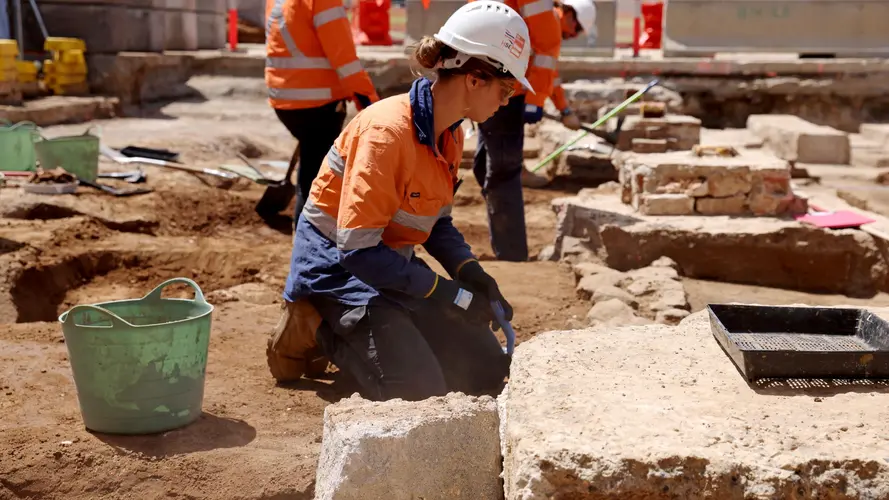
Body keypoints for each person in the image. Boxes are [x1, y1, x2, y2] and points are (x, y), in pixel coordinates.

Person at [269, 0, 532, 401]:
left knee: (483, 369)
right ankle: (318, 326)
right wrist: (448, 294)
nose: (508, 99)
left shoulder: (451, 132)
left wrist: (469, 272)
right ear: (475, 79)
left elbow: (435, 223)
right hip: (340, 268)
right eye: (507, 87)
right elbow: (356, 251)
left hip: (390, 261)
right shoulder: (387, 133)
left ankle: (396, 322)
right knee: (415, 390)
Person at [471, 0, 595, 261]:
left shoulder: (539, 23)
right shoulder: (544, 20)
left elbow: (549, 73)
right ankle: (513, 255)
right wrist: (535, 103)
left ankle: (505, 247)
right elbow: (547, 58)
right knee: (502, 171)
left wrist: (565, 110)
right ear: (570, 15)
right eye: (572, 32)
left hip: (487, 82)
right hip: (505, 92)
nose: (568, 37)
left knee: (490, 168)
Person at [264, 0, 380, 219]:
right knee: (319, 178)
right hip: (317, 102)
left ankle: (305, 230)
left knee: (311, 161)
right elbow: (343, 57)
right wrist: (369, 101)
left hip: (283, 97)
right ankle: (309, 239)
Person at [550, 0, 597, 131]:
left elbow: (551, 76)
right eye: (577, 28)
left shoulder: (550, 25)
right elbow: (546, 73)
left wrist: (565, 110)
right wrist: (565, 111)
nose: (575, 35)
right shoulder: (548, 28)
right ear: (569, 14)